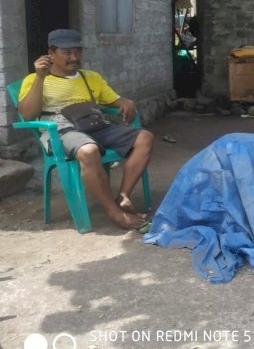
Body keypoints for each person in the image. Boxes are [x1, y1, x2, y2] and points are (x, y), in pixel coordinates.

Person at [17, 29, 154, 230]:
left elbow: (115, 99)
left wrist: (126, 102)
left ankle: (123, 196)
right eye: (67, 53)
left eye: (77, 52)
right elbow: (28, 115)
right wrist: (39, 77)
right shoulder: (33, 79)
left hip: (93, 125)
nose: (74, 57)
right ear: (51, 54)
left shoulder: (90, 77)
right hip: (60, 132)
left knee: (145, 137)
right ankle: (115, 213)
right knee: (88, 150)